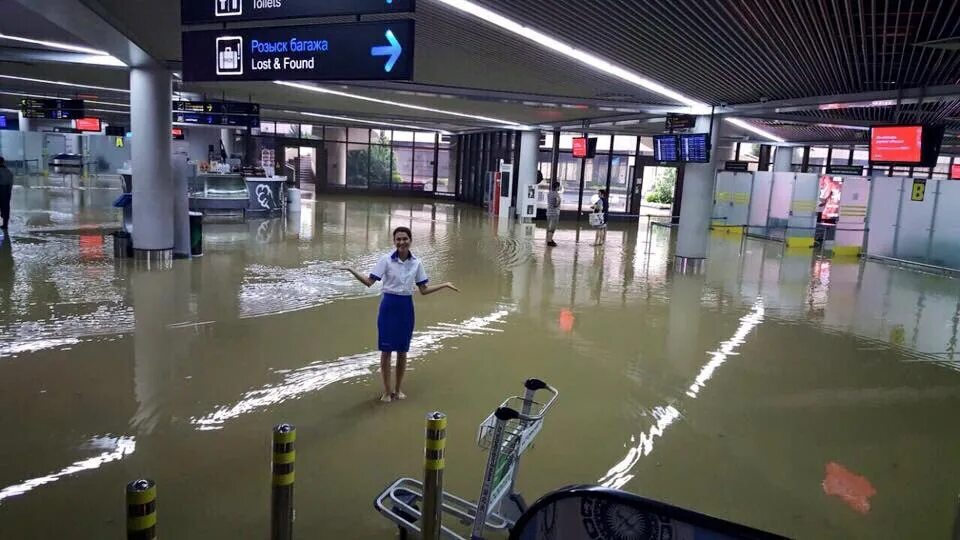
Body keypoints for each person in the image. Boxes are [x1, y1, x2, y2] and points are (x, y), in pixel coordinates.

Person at [339, 226, 459, 402]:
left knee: (402, 351)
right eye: (398, 239)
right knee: (386, 351)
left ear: (410, 240)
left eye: (405, 239)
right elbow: (369, 282)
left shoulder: (417, 263)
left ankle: (398, 389)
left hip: (406, 307)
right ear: (394, 241)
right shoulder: (385, 260)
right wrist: (351, 269)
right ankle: (387, 391)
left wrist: (445, 284)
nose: (402, 242)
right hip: (389, 306)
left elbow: (423, 289)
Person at [546, 181, 561, 247]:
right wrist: (557, 205)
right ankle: (549, 241)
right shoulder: (556, 194)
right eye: (559, 186)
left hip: (549, 212)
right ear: (557, 187)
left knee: (549, 226)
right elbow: (557, 202)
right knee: (552, 227)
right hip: (554, 213)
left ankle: (550, 239)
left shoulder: (549, 193)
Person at [0, 157, 13, 230]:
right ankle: (5, 224)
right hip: (6, 191)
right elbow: (11, 184)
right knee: (6, 208)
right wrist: (9, 194)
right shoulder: (8, 171)